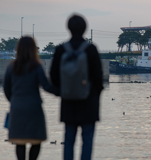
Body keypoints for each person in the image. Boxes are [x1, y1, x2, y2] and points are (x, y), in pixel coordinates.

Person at [50, 14, 103, 160]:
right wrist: (95, 94)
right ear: (85, 28)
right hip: (89, 102)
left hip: (68, 102)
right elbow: (98, 78)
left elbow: (54, 76)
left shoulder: (61, 50)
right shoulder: (91, 49)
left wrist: (63, 91)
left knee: (68, 141)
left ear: (68, 28)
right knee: (87, 141)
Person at [3, 36, 59, 160]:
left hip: (17, 108)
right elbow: (45, 86)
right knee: (36, 140)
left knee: (19, 142)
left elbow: (6, 89)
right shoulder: (36, 67)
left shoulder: (11, 67)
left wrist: (14, 100)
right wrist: (61, 92)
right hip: (34, 108)